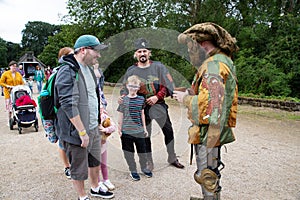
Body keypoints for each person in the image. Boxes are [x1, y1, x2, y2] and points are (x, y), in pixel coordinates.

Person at [173, 22, 239, 200]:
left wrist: (185, 99)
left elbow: (210, 108)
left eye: (190, 47)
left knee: (207, 175)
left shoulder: (213, 65)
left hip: (210, 133)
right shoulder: (221, 61)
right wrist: (189, 92)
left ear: (202, 45)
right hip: (213, 131)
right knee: (210, 172)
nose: (189, 52)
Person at [54, 35, 114, 200]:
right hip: (76, 131)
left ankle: (95, 187)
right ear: (83, 50)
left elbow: (94, 95)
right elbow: (68, 103)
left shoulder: (88, 69)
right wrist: (81, 131)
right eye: (96, 51)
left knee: (94, 159)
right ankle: (82, 196)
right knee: (79, 165)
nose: (98, 55)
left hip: (93, 125)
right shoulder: (67, 71)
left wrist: (100, 115)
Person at [119, 38, 184, 170]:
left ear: (149, 53)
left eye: (144, 51)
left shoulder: (159, 67)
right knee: (145, 134)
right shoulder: (131, 70)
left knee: (169, 131)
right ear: (136, 54)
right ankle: (149, 161)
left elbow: (167, 84)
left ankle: (172, 157)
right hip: (141, 108)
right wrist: (123, 96)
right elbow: (124, 88)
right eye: (139, 51)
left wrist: (157, 96)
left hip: (158, 105)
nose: (142, 54)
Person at [118, 75, 152, 181]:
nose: (133, 88)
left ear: (138, 88)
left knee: (142, 151)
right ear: (127, 86)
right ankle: (133, 169)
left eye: (135, 86)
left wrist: (145, 129)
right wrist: (119, 129)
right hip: (126, 132)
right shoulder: (123, 100)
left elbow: (142, 114)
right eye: (131, 86)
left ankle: (144, 167)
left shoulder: (141, 99)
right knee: (129, 153)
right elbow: (120, 115)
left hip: (139, 131)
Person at [93, 63, 115, 190]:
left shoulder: (104, 116)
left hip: (103, 144)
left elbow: (113, 127)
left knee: (103, 163)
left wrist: (105, 129)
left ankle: (106, 179)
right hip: (94, 143)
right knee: (95, 163)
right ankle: (99, 181)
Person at [56, 47, 74, 179]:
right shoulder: (62, 71)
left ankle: (72, 165)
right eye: (71, 54)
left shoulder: (73, 69)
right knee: (62, 142)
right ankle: (67, 166)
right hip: (61, 113)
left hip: (71, 112)